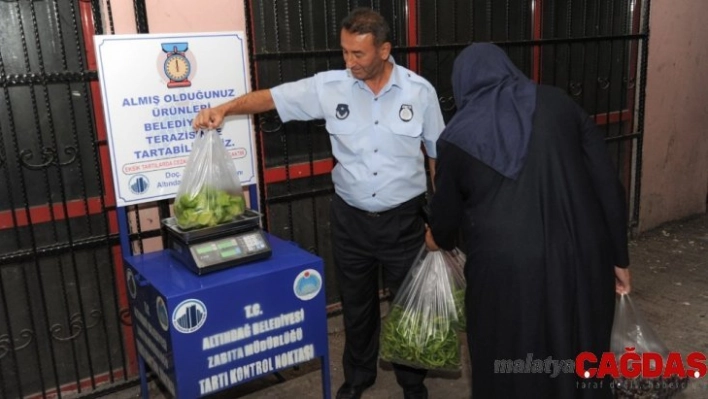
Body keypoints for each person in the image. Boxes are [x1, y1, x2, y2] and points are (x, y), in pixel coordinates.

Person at [193, 8, 444, 399]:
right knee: (357, 306)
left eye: (358, 54)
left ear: (384, 50)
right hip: (351, 220)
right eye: (344, 52)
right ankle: (359, 378)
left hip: (403, 223)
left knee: (409, 305)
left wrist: (440, 220)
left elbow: (436, 156)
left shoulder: (420, 92)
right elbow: (272, 98)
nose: (349, 62)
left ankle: (412, 383)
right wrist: (224, 109)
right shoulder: (330, 87)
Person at [424, 43, 631, 398]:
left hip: (506, 274)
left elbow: (445, 219)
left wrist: (436, 238)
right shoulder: (559, 103)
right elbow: (607, 183)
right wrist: (619, 258)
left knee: (512, 356)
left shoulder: (455, 137)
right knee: (579, 345)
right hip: (582, 256)